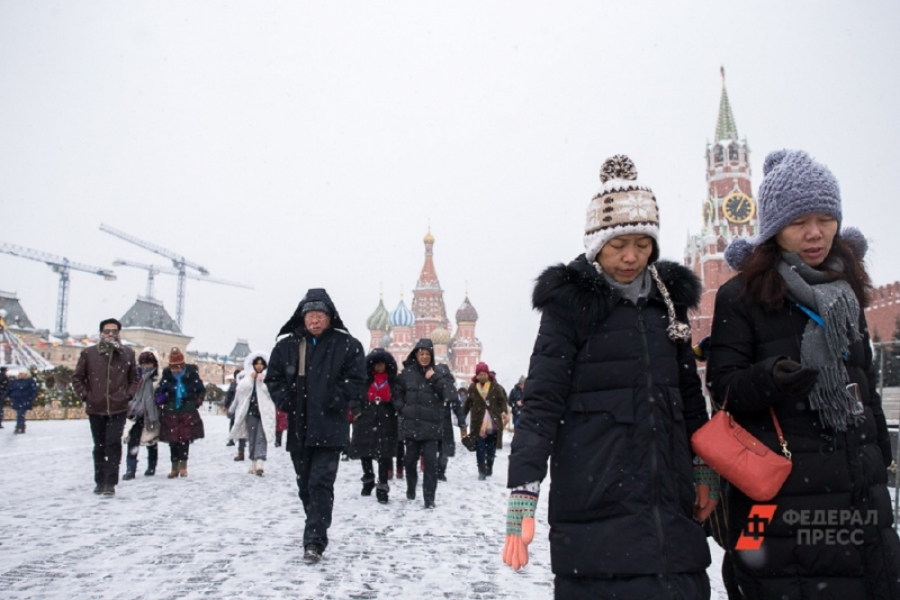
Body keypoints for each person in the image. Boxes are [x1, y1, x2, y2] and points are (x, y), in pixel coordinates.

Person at [504, 155, 712, 598]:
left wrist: (704, 469)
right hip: (596, 510)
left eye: (642, 243)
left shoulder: (667, 306)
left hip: (671, 519)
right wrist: (523, 488)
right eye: (619, 245)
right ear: (596, 245)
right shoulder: (570, 306)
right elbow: (541, 402)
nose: (631, 256)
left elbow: (690, 400)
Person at [707, 149, 900, 598]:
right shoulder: (741, 296)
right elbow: (724, 388)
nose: (816, 233)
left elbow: (865, 393)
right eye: (799, 222)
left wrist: (875, 464)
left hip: (855, 497)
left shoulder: (845, 292)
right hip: (774, 500)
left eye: (825, 218)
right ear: (775, 229)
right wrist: (769, 378)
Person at [265, 288, 366, 564]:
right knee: (305, 486)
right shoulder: (287, 346)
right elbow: (273, 378)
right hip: (300, 428)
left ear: (330, 317)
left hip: (330, 428)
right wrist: (286, 400)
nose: (315, 321)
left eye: (320, 315)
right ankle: (316, 523)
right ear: (303, 317)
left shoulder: (347, 345)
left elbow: (358, 379)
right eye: (310, 315)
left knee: (321, 483)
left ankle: (314, 540)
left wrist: (338, 397)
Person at [73, 318, 140, 496]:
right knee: (99, 446)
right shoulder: (90, 353)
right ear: (101, 333)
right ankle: (99, 481)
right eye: (107, 331)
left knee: (113, 444)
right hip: (96, 407)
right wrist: (86, 396)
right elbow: (77, 378)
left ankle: (110, 483)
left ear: (119, 333)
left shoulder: (127, 353)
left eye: (114, 331)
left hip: (118, 407)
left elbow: (134, 378)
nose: (111, 334)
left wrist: (128, 395)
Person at [394, 338, 456, 509]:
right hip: (412, 426)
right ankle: (411, 487)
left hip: (431, 429)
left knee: (431, 465)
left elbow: (450, 394)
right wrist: (401, 408)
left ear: (432, 355)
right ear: (416, 355)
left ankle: (429, 498)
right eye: (421, 354)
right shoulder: (406, 374)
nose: (424, 357)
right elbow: (397, 393)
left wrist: (434, 378)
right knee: (409, 461)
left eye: (427, 354)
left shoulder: (438, 373)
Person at [348, 348, 399, 503]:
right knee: (366, 452)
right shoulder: (363, 381)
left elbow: (398, 398)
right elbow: (354, 397)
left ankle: (382, 486)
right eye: (376, 364)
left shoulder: (392, 381)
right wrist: (357, 413)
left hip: (386, 420)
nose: (379, 367)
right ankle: (368, 478)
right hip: (366, 419)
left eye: (382, 364)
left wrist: (396, 407)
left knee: (384, 455)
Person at [155, 348, 206, 478]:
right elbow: (160, 390)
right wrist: (161, 398)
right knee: (173, 441)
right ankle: (174, 467)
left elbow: (200, 390)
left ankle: (183, 466)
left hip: (187, 410)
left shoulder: (191, 375)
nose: (176, 371)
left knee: (184, 439)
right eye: (173, 368)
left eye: (178, 368)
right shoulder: (167, 376)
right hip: (171, 411)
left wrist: (196, 402)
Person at [229, 353, 276, 476]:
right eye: (257, 363)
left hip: (264, 411)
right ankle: (253, 461)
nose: (259, 366)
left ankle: (260, 460)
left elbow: (273, 391)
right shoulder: (248, 376)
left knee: (262, 436)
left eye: (261, 364)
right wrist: (251, 379)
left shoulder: (269, 377)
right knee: (252, 436)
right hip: (251, 411)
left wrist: (263, 381)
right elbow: (241, 389)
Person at [463, 362, 509, 480]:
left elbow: (502, 401)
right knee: (480, 447)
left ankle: (489, 466)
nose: (482, 376)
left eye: (484, 373)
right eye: (480, 374)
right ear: (477, 375)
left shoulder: (495, 386)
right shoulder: (473, 387)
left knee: (491, 448)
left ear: (487, 374)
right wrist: (461, 416)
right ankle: (481, 470)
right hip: (478, 423)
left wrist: (504, 412)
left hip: (492, 423)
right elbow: (467, 403)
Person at [122, 348, 161, 479]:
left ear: (154, 364)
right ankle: (130, 469)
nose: (146, 366)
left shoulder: (157, 377)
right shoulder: (134, 377)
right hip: (135, 413)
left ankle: (151, 467)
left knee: (151, 442)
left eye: (149, 363)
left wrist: (160, 398)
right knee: (133, 442)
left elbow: (162, 392)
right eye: (144, 363)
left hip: (152, 414)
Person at [224, 368, 244, 455]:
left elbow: (229, 395)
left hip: (240, 407)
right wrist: (226, 405)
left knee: (240, 425)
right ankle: (232, 439)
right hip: (236, 407)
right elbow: (229, 395)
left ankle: (240, 441)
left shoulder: (242, 384)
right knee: (234, 424)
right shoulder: (234, 384)